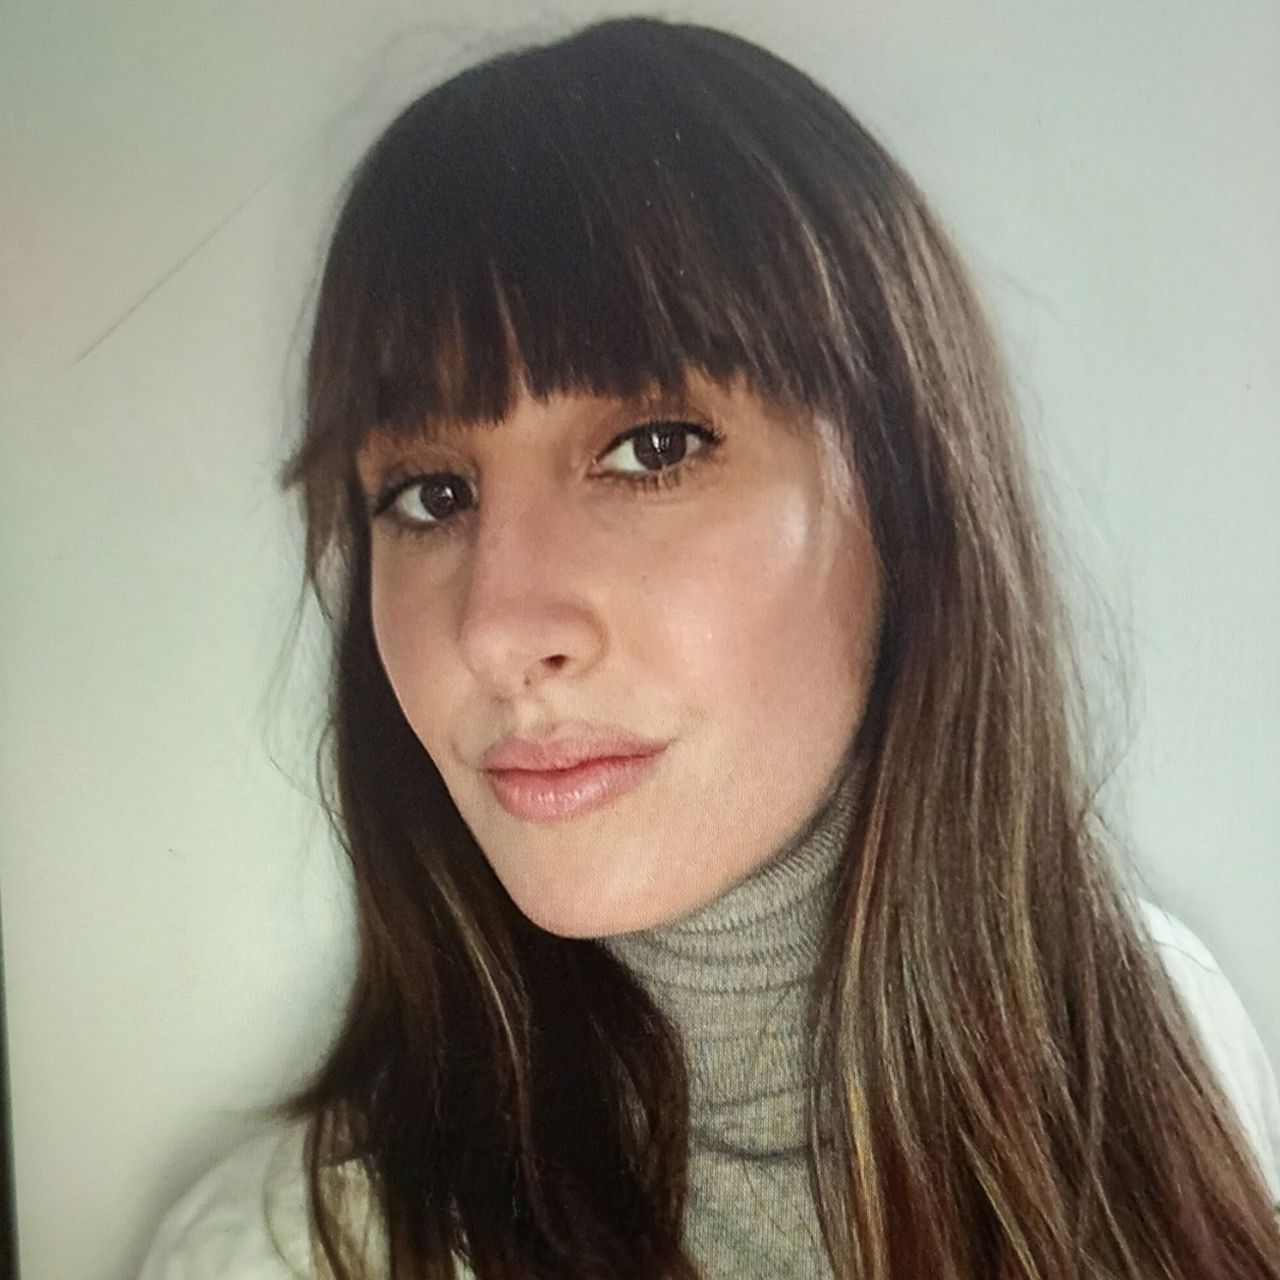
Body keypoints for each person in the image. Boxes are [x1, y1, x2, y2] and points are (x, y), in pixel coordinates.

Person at [138, 15, 1280, 1279]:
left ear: (907, 496)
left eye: (652, 448)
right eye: (430, 493)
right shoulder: (282, 1253)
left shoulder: (1162, 1028)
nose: (497, 627)